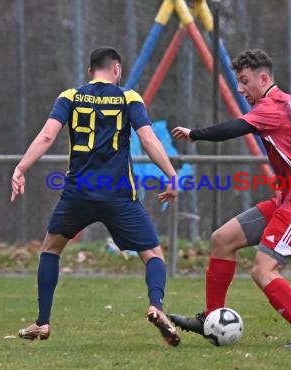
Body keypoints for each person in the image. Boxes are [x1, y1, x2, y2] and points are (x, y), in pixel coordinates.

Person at [10, 46, 181, 347]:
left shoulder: (70, 97)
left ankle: (43, 322)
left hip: (78, 193)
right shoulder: (129, 98)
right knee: (153, 255)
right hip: (119, 194)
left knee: (51, 249)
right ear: (116, 70)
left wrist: (21, 168)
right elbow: (148, 138)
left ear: (90, 72)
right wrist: (171, 173)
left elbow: (47, 136)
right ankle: (156, 305)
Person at [169, 49, 291, 349]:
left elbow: (236, 127)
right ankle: (210, 317)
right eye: (238, 82)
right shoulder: (284, 103)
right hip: (290, 197)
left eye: (244, 81)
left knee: (263, 269)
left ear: (264, 78)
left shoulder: (275, 105)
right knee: (222, 238)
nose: (240, 89)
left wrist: (195, 134)